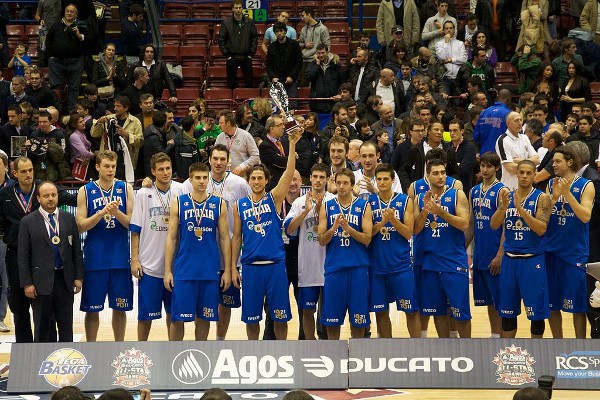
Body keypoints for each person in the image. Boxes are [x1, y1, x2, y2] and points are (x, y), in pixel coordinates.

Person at [231, 126, 301, 340]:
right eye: (253, 178)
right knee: (251, 319)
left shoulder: (274, 199)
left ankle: (283, 353)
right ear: (249, 181)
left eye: (260, 178)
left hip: (275, 267)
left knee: (280, 318)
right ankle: (253, 353)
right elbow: (236, 238)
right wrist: (234, 268)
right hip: (251, 268)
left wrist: (292, 145)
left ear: (266, 180)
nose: (257, 181)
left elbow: (289, 173)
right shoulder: (239, 205)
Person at [0, 156, 77, 342]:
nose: (28, 175)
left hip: (43, 256)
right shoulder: (5, 194)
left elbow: (71, 197)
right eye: (24, 171)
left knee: (45, 306)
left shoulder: (44, 189)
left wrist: (94, 191)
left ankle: (47, 348)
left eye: (30, 170)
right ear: (15, 173)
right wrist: (11, 235)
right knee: (19, 306)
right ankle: (25, 350)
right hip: (15, 253)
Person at [184, 144, 250, 340]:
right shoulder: (197, 181)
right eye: (215, 158)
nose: (219, 162)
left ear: (228, 160)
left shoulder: (239, 184)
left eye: (223, 159)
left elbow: (249, 211)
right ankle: (201, 342)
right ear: (210, 160)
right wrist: (147, 182)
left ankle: (220, 340)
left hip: (230, 254)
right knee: (201, 302)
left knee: (226, 303)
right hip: (202, 254)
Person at [164, 162, 231, 341]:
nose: (202, 181)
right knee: (178, 319)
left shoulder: (219, 203)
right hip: (184, 270)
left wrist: (228, 271)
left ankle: (201, 355)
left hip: (209, 271)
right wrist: (167, 271)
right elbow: (171, 237)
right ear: (191, 179)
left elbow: (225, 238)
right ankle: (174, 355)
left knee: (204, 317)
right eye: (198, 178)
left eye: (204, 178)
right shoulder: (178, 202)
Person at [76, 150, 134, 342]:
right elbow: (80, 225)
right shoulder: (85, 190)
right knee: (92, 310)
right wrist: (100, 213)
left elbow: (132, 224)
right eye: (106, 166)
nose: (110, 170)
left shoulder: (125, 188)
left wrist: (116, 212)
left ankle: (119, 346)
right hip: (95, 259)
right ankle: (91, 348)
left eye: (113, 166)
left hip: (120, 258)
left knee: (120, 308)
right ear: (97, 167)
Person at [490, 160, 551, 338]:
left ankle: (537, 353)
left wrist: (521, 209)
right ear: (516, 174)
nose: (524, 176)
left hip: (532, 260)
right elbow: (494, 225)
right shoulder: (508, 196)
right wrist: (504, 207)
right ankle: (508, 352)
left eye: (528, 173)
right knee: (507, 312)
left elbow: (541, 229)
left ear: (534, 175)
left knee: (536, 314)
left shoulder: (541, 198)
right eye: (521, 172)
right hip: (510, 261)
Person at [18, 181, 83, 342]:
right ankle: (42, 362)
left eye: (53, 195)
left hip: (65, 280)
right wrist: (27, 283)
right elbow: (23, 255)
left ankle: (67, 361)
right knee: (42, 327)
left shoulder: (68, 219)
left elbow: (76, 250)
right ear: (38, 198)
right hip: (40, 283)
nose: (50, 199)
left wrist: (78, 277)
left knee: (66, 325)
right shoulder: (28, 222)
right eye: (46, 196)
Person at [414, 158, 471, 338]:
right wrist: (425, 211)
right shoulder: (419, 198)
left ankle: (467, 349)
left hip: (453, 261)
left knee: (460, 314)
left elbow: (464, 223)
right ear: (427, 176)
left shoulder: (457, 194)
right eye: (436, 173)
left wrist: (441, 213)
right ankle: (445, 349)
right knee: (438, 312)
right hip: (430, 262)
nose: (440, 176)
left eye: (443, 173)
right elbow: (416, 229)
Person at [130, 153, 184, 341]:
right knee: (145, 317)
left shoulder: (181, 190)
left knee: (175, 317)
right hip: (149, 266)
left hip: (176, 267)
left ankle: (174, 353)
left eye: (168, 168)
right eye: (160, 169)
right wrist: (135, 259)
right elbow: (135, 230)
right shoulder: (144, 193)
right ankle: (142, 349)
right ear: (153, 172)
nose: (165, 172)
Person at [545, 146, 594, 339]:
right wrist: (554, 197)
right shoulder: (550, 184)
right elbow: (544, 218)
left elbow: (585, 216)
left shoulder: (586, 185)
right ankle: (557, 345)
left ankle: (579, 346)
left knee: (577, 307)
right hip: (551, 251)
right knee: (552, 304)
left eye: (557, 161)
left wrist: (567, 193)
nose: (553, 165)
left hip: (574, 253)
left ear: (570, 162)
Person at [318, 168, 372, 339]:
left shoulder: (364, 205)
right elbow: (321, 240)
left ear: (352, 185)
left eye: (345, 183)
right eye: (338, 183)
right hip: (335, 269)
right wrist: (333, 229)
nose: (341, 186)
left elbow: (367, 239)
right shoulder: (327, 206)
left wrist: (349, 229)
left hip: (358, 268)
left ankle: (357, 358)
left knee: (358, 320)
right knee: (332, 321)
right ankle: (335, 357)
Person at [369, 164, 419, 338]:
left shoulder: (405, 200)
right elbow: (368, 235)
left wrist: (393, 220)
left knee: (410, 310)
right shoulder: (369, 202)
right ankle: (386, 349)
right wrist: (382, 222)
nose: (382, 182)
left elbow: (408, 233)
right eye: (379, 179)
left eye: (386, 179)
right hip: (377, 267)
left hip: (401, 266)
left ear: (392, 180)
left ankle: (416, 347)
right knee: (381, 312)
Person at [284, 163, 332, 340]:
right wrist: (305, 212)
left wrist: (319, 210)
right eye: (315, 177)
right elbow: (288, 229)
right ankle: (310, 345)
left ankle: (329, 344)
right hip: (308, 266)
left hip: (329, 265)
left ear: (327, 179)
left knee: (330, 311)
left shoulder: (333, 200)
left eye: (322, 177)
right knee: (307, 310)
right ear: (310, 178)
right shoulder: (299, 202)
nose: (318, 180)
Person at [466, 152, 506, 338]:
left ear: (497, 168)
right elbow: (472, 224)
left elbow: (507, 227)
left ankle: (501, 340)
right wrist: (462, 250)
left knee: (500, 302)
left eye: (489, 166)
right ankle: (494, 337)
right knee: (489, 302)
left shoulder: (502, 191)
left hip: (495, 254)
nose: (485, 169)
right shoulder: (474, 191)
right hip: (480, 253)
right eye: (483, 166)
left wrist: (500, 255)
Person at [91, 96, 143, 182]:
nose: (115, 108)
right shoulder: (108, 119)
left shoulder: (135, 121)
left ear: (126, 108)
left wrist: (126, 134)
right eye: (115, 106)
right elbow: (94, 134)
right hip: (108, 160)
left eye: (118, 106)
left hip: (126, 162)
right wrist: (99, 122)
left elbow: (140, 142)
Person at [45, 4, 86, 112]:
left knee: (74, 88)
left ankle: (71, 113)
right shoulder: (56, 25)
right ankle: (57, 111)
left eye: (72, 11)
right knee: (55, 87)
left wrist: (78, 34)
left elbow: (88, 41)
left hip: (75, 62)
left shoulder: (82, 26)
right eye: (67, 11)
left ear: (76, 14)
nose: (69, 13)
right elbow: (48, 41)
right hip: (56, 62)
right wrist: (50, 56)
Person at [218, 0, 258, 88]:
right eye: (236, 8)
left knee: (249, 83)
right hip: (232, 57)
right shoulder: (226, 23)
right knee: (231, 84)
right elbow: (221, 40)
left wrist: (251, 53)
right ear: (232, 9)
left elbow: (254, 38)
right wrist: (227, 54)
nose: (238, 10)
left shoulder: (250, 22)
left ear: (242, 8)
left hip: (246, 56)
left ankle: (249, 101)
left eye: (240, 7)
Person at [496, 111, 540, 190]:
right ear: (508, 123)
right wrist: (529, 163)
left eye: (520, 120)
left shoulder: (524, 137)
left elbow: (537, 160)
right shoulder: (503, 140)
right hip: (510, 187)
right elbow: (510, 168)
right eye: (516, 120)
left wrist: (521, 161)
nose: (520, 123)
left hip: (527, 188)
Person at [265, 22, 302, 110]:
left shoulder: (294, 45)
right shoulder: (272, 46)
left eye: (281, 31)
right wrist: (273, 77)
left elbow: (299, 62)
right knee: (276, 107)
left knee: (292, 106)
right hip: (276, 81)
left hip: (291, 80)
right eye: (277, 31)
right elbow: (268, 64)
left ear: (285, 31)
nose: (279, 33)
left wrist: (292, 76)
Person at [214, 110, 260, 177]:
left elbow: (255, 156)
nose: (219, 125)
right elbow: (215, 155)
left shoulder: (245, 136)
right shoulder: (220, 137)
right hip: (224, 177)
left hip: (242, 177)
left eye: (221, 123)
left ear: (228, 123)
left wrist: (242, 166)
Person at [473, 89, 513, 155]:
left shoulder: (484, 112)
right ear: (508, 99)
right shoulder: (509, 114)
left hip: (485, 154)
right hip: (503, 155)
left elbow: (476, 136)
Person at [298, 6, 330, 87]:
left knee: (317, 85)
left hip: (317, 61)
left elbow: (327, 46)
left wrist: (321, 58)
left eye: (303, 15)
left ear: (309, 15)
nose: (302, 18)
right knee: (303, 86)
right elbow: (299, 44)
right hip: (304, 61)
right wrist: (305, 45)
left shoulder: (323, 29)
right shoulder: (303, 29)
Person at [306, 44, 343, 114]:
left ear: (327, 52)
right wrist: (317, 64)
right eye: (319, 53)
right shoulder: (313, 64)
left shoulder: (336, 65)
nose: (321, 55)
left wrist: (340, 94)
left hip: (333, 103)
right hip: (316, 104)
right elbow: (309, 77)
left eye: (323, 53)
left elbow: (341, 81)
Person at [259, 115, 289, 191]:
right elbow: (282, 163)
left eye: (283, 124)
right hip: (273, 186)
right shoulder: (265, 146)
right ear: (271, 129)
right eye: (280, 125)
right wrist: (293, 157)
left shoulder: (283, 142)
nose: (283, 127)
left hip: (285, 183)